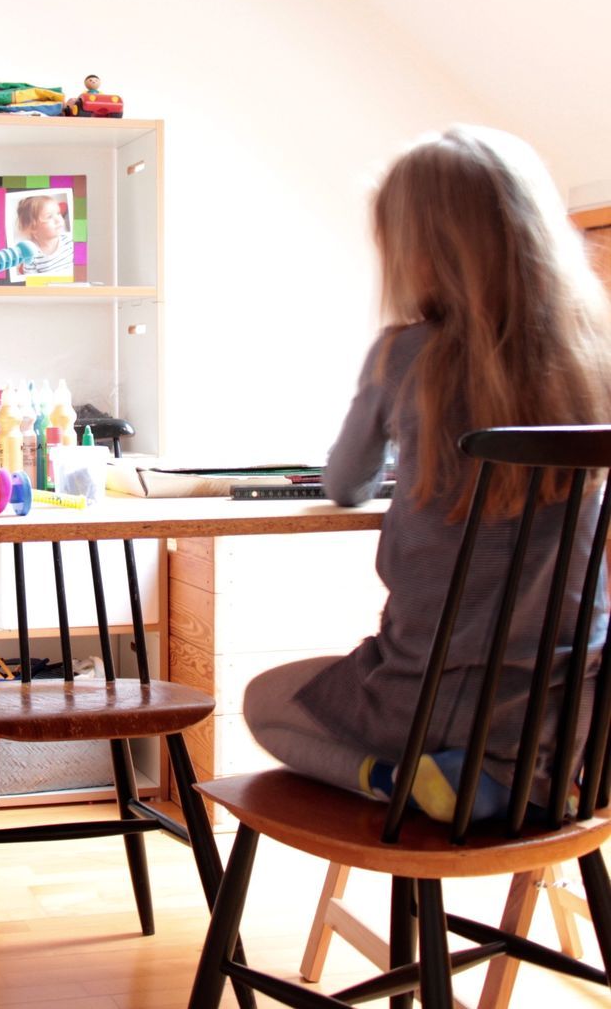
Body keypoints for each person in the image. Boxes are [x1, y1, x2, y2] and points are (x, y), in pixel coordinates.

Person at [244, 125, 611, 822]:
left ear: (421, 250)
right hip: (563, 713)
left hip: (426, 700)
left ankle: (399, 778)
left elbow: (346, 483)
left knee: (265, 700)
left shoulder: (405, 355)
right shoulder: (596, 363)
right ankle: (510, 778)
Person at [14, 194, 74, 277]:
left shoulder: (70, 240)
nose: (58, 220)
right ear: (33, 227)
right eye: (49, 217)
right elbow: (31, 281)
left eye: (58, 213)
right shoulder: (31, 255)